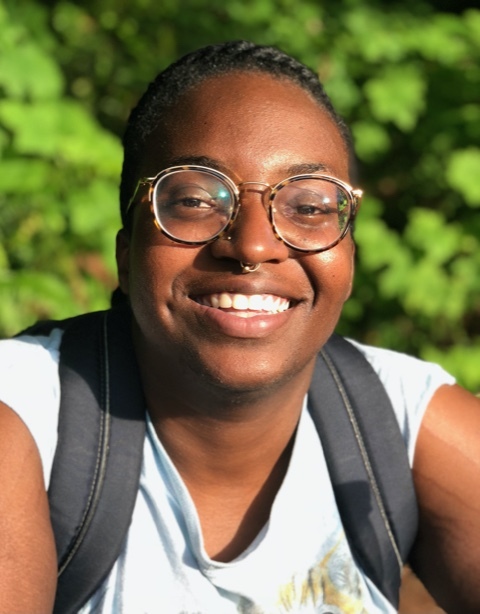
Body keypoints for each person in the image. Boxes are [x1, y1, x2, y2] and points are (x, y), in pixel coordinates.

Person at [0, 40, 479, 614]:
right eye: (197, 200)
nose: (252, 245)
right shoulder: (27, 415)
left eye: (307, 207)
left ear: (349, 254)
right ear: (126, 253)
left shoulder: (397, 418)